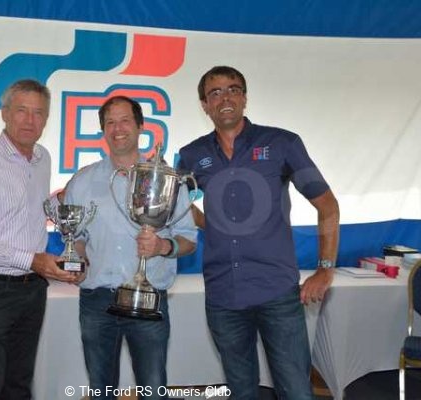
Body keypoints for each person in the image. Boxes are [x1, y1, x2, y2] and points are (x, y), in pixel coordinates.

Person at [177, 66, 340, 400]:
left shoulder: (282, 143)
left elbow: (327, 205)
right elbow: (177, 206)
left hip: (276, 291)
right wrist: (213, 224)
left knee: (296, 391)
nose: (225, 98)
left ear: (245, 98)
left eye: (233, 89)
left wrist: (325, 269)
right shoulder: (192, 155)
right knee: (241, 392)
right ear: (204, 105)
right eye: (215, 93)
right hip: (223, 294)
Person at [63, 95, 198, 400]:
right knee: (101, 391)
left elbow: (189, 240)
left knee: (152, 391)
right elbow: (76, 238)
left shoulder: (166, 180)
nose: (117, 129)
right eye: (110, 122)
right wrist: (77, 260)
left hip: (148, 300)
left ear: (140, 127)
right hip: (96, 301)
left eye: (125, 120)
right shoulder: (82, 182)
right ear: (103, 131)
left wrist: (162, 246)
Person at [0, 79, 82, 400]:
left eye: (38, 113)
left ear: (47, 119)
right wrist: (33, 260)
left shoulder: (43, 158)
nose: (30, 120)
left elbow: (32, 209)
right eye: (22, 110)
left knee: (19, 384)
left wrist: (60, 203)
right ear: (5, 113)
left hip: (32, 289)